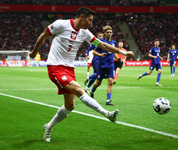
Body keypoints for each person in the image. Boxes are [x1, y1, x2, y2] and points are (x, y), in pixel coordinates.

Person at [29, 7, 134, 142]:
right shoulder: (61, 24)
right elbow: (44, 34)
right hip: (55, 67)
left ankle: (48, 127)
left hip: (69, 69)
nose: (91, 23)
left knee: (70, 106)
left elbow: (102, 45)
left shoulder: (85, 33)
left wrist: (123, 52)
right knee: (79, 90)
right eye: (90, 20)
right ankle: (107, 114)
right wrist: (34, 52)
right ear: (82, 17)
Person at [90, 25, 127, 106]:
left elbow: (113, 52)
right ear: (104, 33)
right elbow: (94, 52)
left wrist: (118, 58)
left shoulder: (113, 43)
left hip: (110, 65)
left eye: (110, 32)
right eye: (107, 32)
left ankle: (108, 100)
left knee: (110, 82)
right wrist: (100, 55)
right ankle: (92, 92)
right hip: (102, 65)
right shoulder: (101, 42)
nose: (109, 34)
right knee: (98, 83)